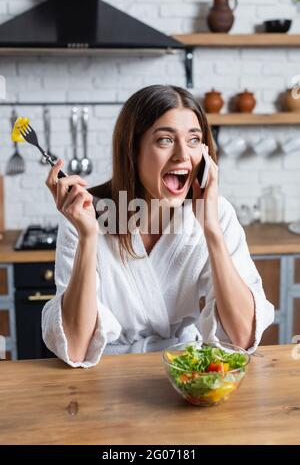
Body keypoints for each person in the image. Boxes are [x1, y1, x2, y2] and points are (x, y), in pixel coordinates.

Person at [42, 85, 274, 368]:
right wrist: (89, 237)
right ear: (133, 149)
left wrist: (211, 229)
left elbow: (241, 338)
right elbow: (76, 349)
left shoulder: (216, 213)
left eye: (193, 140)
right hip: (104, 377)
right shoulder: (85, 217)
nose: (182, 155)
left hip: (182, 371)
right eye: (165, 140)